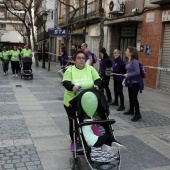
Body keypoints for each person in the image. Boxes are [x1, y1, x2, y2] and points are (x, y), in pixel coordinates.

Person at [62, 50, 102, 151]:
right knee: (74, 122)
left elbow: (98, 79)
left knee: (90, 119)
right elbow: (65, 83)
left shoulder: (90, 69)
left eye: (83, 58)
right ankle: (74, 141)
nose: (81, 60)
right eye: (78, 58)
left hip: (88, 101)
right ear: (74, 60)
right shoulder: (70, 70)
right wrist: (72, 87)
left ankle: (90, 138)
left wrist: (97, 85)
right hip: (72, 101)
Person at [123, 46, 144, 122]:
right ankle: (131, 110)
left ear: (131, 53)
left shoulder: (134, 61)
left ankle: (138, 114)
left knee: (134, 97)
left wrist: (128, 75)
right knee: (130, 96)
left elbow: (137, 72)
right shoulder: (130, 60)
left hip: (136, 82)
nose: (125, 52)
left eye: (127, 51)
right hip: (130, 82)